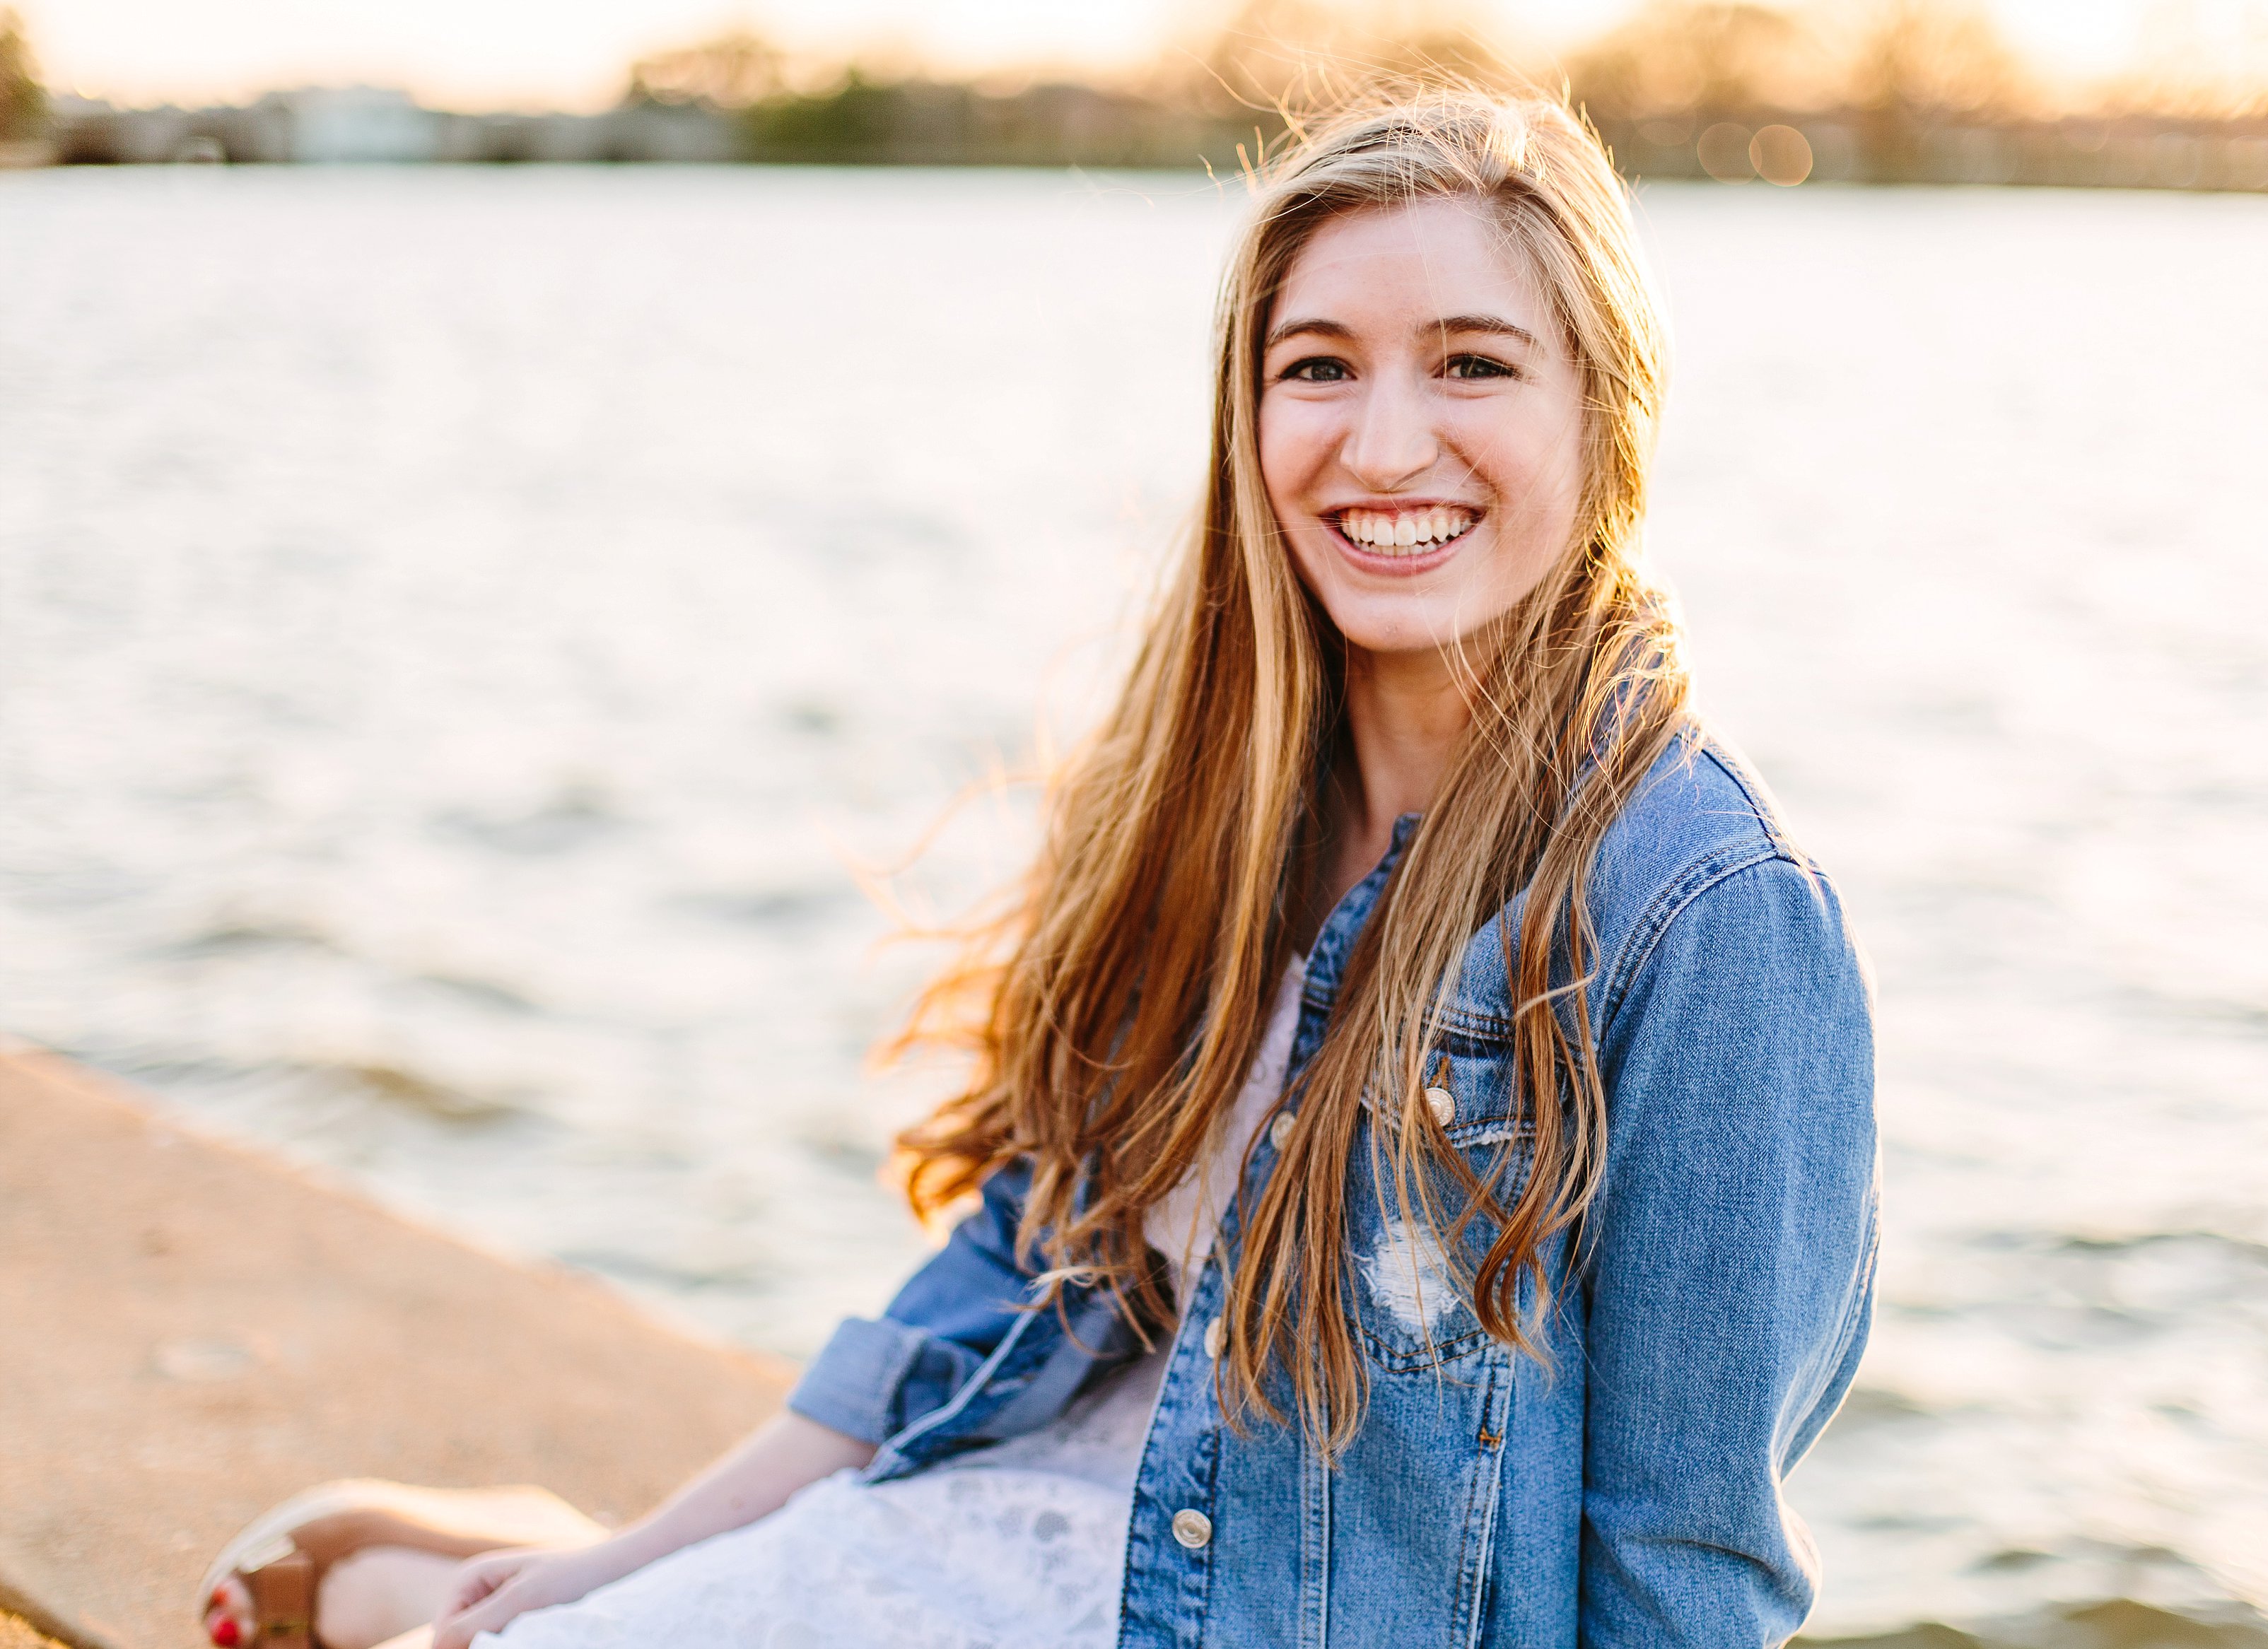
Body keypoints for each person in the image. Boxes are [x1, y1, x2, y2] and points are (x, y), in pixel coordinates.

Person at [197, 83, 1878, 1649]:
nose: (1379, 448)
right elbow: (1023, 1265)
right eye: (1317, 367)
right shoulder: (1208, 798)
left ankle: (416, 1578)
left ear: (1604, 410)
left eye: (1470, 365)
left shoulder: (1705, 917)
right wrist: (627, 1562)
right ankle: (512, 1563)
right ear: (1248, 411)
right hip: (1039, 1538)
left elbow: (1681, 1568)